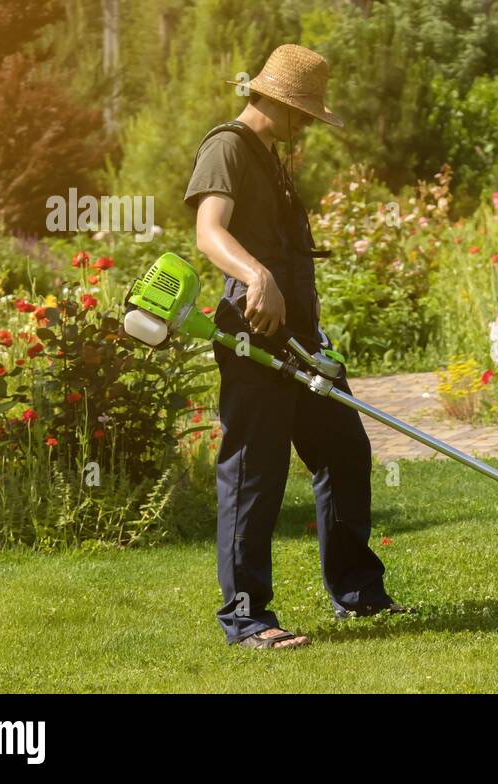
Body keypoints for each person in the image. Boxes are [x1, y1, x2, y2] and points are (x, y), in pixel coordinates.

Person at [185, 44, 409, 650]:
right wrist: (258, 276)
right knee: (253, 474)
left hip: (303, 341)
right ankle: (247, 618)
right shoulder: (227, 146)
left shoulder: (272, 157)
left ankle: (359, 594)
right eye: (304, 113)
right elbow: (210, 230)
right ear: (278, 102)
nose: (308, 123)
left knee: (343, 449)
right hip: (252, 336)